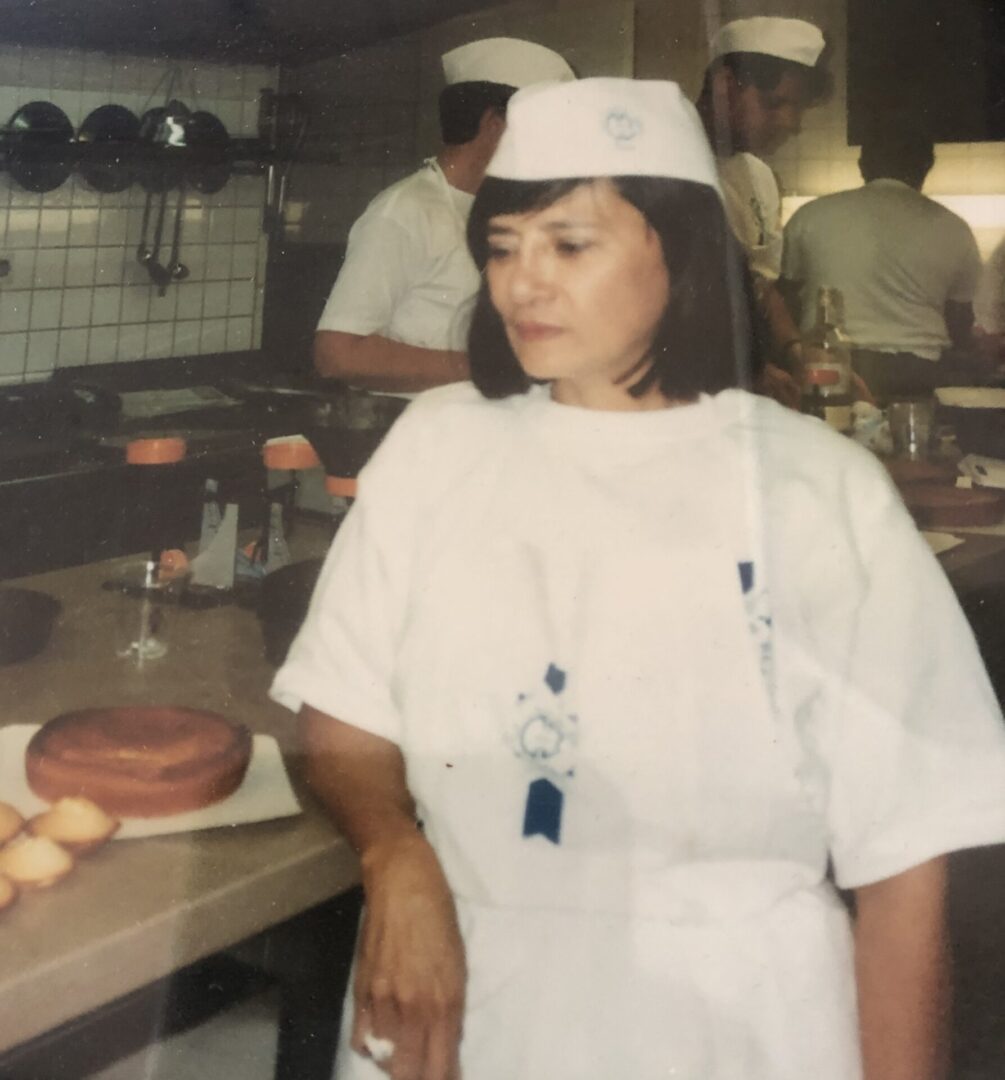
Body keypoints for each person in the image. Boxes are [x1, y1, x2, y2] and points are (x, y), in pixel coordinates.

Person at [272, 78, 1005, 1080]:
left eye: (570, 244)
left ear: (682, 250)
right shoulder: (437, 447)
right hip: (457, 1010)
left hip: (735, 1023)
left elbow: (906, 866)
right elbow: (344, 713)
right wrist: (394, 855)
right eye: (502, 246)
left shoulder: (813, 484)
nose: (522, 283)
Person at [313, 37, 575, 397]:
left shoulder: (507, 209)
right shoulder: (405, 211)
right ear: (494, 125)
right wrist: (486, 368)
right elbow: (337, 355)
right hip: (419, 433)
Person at [781, 118, 985, 402]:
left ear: (862, 165)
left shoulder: (809, 215)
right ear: (927, 167)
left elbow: (786, 302)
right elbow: (960, 320)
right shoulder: (955, 228)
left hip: (830, 367)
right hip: (921, 372)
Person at [696, 16, 831, 406]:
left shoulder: (759, 178)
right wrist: (747, 371)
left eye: (797, 109)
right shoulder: (664, 160)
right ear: (725, 85)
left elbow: (762, 284)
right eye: (774, 104)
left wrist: (796, 351)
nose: (791, 123)